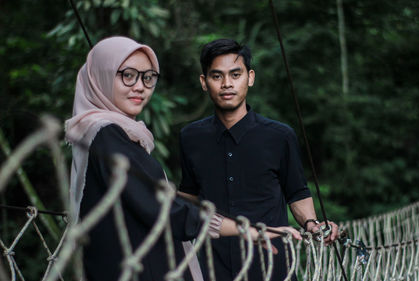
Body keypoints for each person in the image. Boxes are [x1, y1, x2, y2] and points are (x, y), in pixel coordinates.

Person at [65, 36, 300, 281]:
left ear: (250, 77)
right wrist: (244, 230)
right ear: (101, 76)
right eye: (127, 75)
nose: (140, 86)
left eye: (147, 77)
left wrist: (313, 224)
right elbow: (161, 206)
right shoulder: (106, 134)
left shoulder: (111, 133)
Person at [178, 38, 339, 281]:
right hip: (213, 269)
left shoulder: (280, 136)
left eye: (235, 74)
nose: (227, 84)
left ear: (250, 77)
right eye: (217, 76)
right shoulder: (190, 137)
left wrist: (312, 224)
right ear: (204, 82)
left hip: (273, 269)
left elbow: (296, 192)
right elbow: (188, 197)